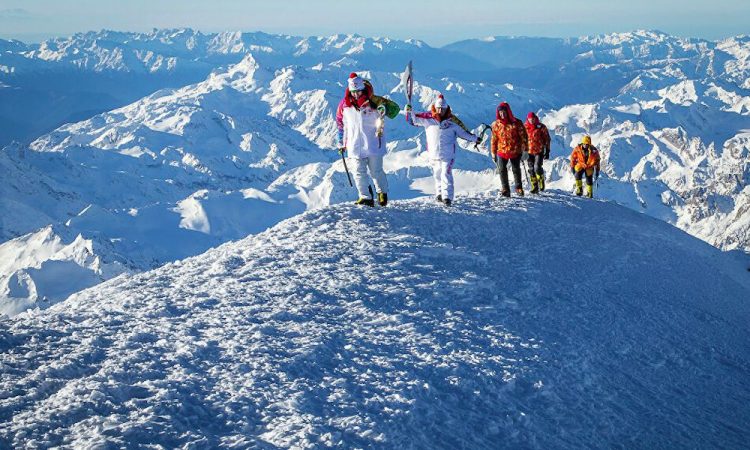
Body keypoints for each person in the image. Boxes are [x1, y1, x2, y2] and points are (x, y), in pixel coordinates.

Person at [336, 72, 399, 207]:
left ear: (363, 89)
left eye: (358, 91)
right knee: (358, 172)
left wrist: (384, 108)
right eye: (353, 92)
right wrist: (341, 142)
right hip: (354, 143)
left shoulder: (373, 101)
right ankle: (365, 197)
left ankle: (382, 192)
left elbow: (395, 110)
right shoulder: (344, 105)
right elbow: (340, 123)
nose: (356, 94)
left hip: (373, 142)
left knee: (376, 171)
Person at [405, 94, 480, 206]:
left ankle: (447, 197)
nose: (440, 111)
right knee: (437, 174)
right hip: (434, 154)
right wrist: (409, 111)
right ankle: (439, 194)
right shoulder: (428, 120)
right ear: (435, 108)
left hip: (448, 154)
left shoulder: (452, 122)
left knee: (446, 174)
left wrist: (475, 138)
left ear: (446, 109)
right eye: (438, 108)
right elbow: (413, 120)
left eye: (443, 109)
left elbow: (464, 133)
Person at [491, 102, 528, 197]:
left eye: (504, 112)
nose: (502, 114)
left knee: (516, 169)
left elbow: (524, 137)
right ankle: (505, 189)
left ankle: (519, 188)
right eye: (500, 113)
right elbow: (494, 139)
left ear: (508, 112)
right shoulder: (496, 124)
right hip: (501, 151)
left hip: (515, 150)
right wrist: (493, 152)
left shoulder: (517, 123)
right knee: (502, 170)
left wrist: (525, 150)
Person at [524, 112, 551, 194]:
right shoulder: (525, 127)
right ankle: (534, 186)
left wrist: (547, 150)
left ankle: (541, 179)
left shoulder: (541, 127)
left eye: (532, 119)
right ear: (528, 119)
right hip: (528, 152)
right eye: (530, 119)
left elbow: (547, 139)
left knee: (537, 167)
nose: (531, 120)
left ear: (535, 118)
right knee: (531, 169)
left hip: (539, 151)